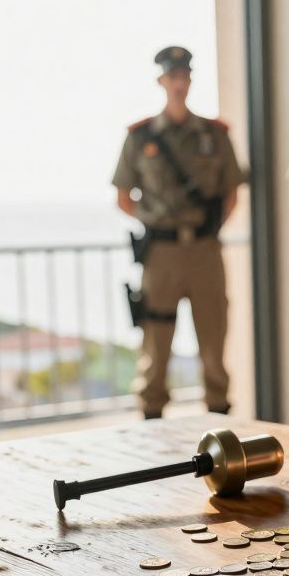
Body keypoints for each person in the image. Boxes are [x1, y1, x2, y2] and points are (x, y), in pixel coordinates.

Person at [112, 46, 244, 419]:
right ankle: (151, 418)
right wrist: (156, 220)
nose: (179, 83)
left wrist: (206, 228)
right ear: (161, 80)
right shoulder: (141, 137)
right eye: (173, 76)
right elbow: (123, 198)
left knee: (213, 342)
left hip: (204, 249)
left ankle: (218, 422)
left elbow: (231, 193)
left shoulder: (214, 134)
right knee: (156, 345)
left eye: (184, 75)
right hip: (161, 254)